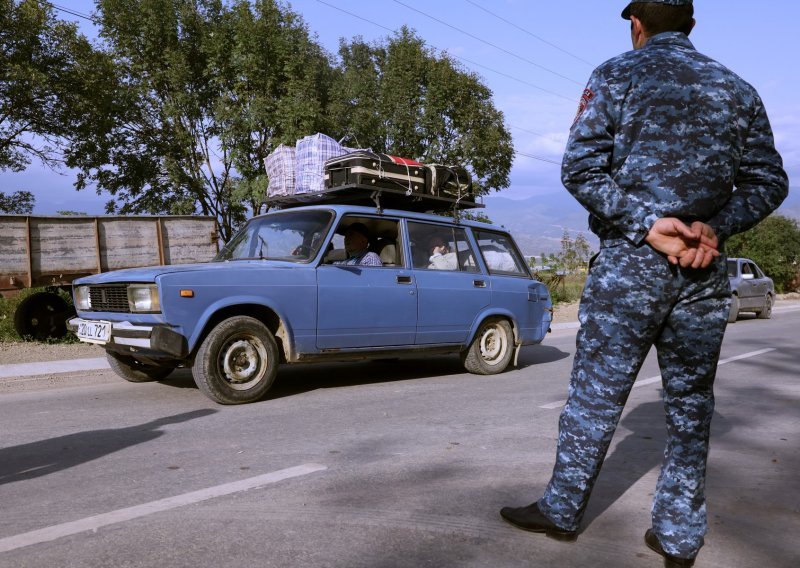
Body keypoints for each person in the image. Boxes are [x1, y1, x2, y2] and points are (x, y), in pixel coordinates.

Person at [499, 2, 788, 567]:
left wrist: (645, 226)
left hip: (630, 270)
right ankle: (679, 537)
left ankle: (562, 512)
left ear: (637, 24)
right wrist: (716, 226)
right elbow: (769, 182)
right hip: (702, 273)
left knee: (595, 398)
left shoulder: (615, 75)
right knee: (691, 405)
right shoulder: (739, 90)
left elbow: (579, 168)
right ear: (691, 25)